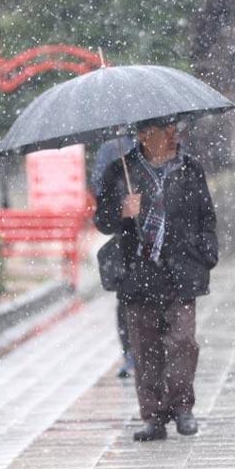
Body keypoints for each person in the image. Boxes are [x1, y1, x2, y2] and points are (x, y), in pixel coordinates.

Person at [95, 117, 218, 441]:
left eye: (176, 131)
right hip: (139, 273)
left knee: (183, 342)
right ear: (145, 136)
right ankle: (153, 416)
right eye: (168, 133)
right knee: (145, 348)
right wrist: (123, 211)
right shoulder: (119, 171)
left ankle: (182, 408)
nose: (176, 137)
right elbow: (102, 221)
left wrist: (206, 253)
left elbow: (207, 216)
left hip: (180, 272)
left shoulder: (190, 169)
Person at [91, 135, 137, 379]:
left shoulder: (159, 147)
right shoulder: (111, 150)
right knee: (127, 301)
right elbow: (99, 189)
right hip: (126, 244)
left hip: (158, 246)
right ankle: (130, 352)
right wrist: (122, 207)